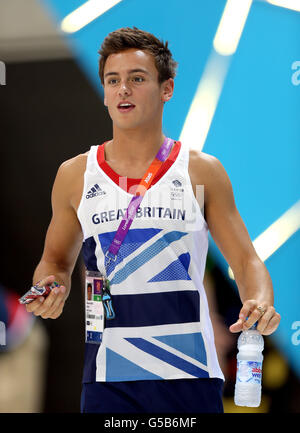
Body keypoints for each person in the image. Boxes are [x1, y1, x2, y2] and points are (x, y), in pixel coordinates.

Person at [26, 27, 281, 413]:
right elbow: (56, 262)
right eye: (113, 80)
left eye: (137, 78)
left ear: (167, 89)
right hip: (107, 375)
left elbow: (246, 261)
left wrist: (260, 301)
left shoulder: (201, 171)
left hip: (189, 371)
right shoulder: (75, 175)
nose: (122, 89)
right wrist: (49, 288)